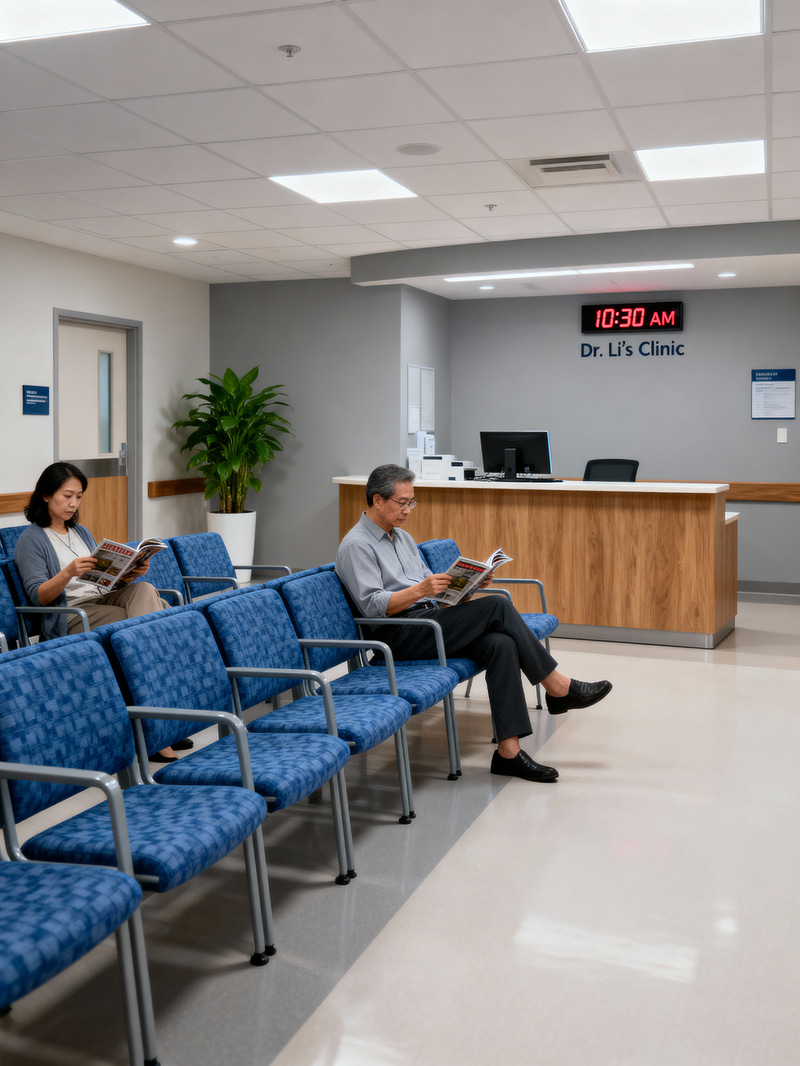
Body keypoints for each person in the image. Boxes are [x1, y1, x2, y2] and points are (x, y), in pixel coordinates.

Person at [336, 464, 612, 783]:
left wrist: (463, 588)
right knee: (497, 604)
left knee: (501, 644)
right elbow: (372, 607)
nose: (408, 510)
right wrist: (421, 590)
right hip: (398, 636)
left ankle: (508, 753)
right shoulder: (357, 545)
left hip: (428, 620)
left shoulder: (402, 538)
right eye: (402, 502)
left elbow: (430, 592)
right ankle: (557, 687)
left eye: (412, 502)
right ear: (378, 500)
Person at [15, 461, 187, 762]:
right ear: (45, 495)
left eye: (78, 497)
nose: (73, 503)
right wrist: (68, 573)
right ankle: (156, 726)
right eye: (67, 495)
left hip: (101, 601)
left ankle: (153, 718)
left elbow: (104, 584)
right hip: (69, 615)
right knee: (151, 619)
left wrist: (130, 574)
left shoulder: (80, 531)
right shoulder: (31, 539)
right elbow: (38, 596)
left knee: (146, 591)